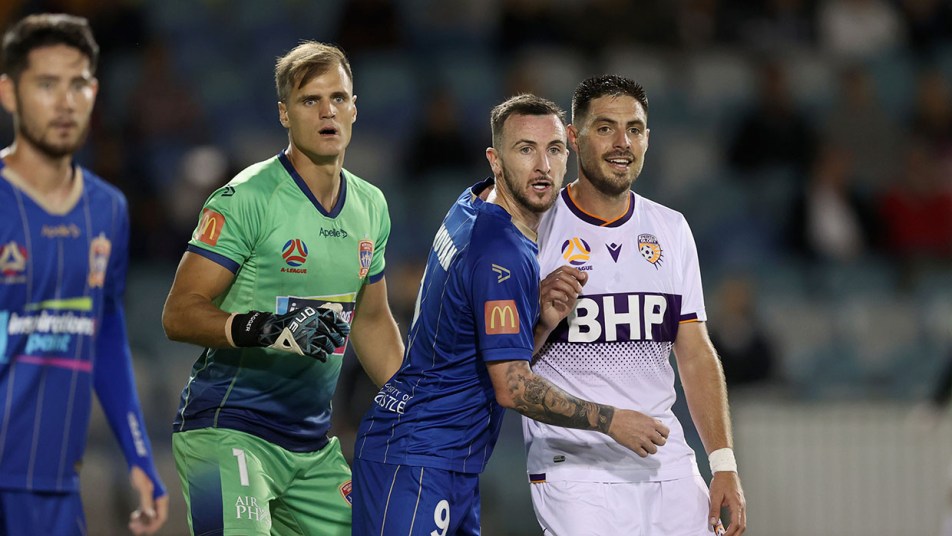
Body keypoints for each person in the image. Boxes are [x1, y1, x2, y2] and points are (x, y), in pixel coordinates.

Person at [351, 94, 670, 535]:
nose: (542, 166)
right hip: (419, 460)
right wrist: (611, 420)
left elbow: (479, 346)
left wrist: (537, 319)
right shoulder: (502, 249)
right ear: (496, 159)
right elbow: (513, 388)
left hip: (445, 458)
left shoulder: (473, 203)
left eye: (554, 150)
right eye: (525, 149)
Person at [161, 41, 404, 536]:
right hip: (226, 431)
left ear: (355, 108)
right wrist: (263, 328)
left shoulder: (371, 205)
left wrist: (414, 403)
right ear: (284, 115)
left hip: (313, 448)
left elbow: (373, 320)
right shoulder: (246, 199)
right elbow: (179, 313)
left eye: (338, 97)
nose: (327, 111)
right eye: (309, 100)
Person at [524, 75, 747, 535]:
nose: (622, 143)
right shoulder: (533, 230)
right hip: (574, 464)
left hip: (664, 460)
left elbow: (694, 350)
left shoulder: (671, 229)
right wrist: (541, 319)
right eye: (605, 128)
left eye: (635, 129)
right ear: (573, 137)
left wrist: (723, 462)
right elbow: (503, 368)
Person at [0, 13, 167, 535]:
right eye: (46, 84)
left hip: (54, 488)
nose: (65, 101)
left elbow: (106, 332)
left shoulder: (108, 210)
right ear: (9, 92)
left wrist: (138, 454)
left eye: (79, 84)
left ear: (95, 92)